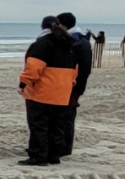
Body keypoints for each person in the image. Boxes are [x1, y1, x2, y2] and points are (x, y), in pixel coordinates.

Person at [18, 16, 78, 166]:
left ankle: (39, 156)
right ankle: (53, 155)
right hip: (63, 92)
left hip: (43, 92)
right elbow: (75, 70)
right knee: (56, 126)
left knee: (39, 125)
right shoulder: (68, 44)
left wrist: (23, 83)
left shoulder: (43, 44)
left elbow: (33, 67)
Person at [56, 12, 92, 158]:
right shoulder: (79, 40)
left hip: (71, 85)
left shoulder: (76, 42)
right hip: (69, 83)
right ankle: (62, 146)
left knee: (66, 116)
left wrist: (77, 89)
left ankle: (64, 148)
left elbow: (84, 68)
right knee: (64, 116)